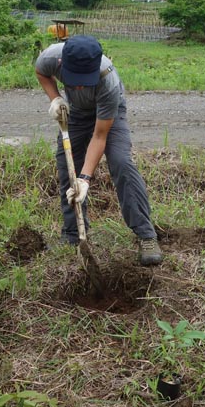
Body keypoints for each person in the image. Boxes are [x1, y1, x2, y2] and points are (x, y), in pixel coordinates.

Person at [35, 35, 163, 266]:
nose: (81, 85)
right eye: (76, 79)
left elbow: (99, 135)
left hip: (108, 115)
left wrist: (85, 178)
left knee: (121, 162)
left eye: (86, 79)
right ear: (63, 64)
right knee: (67, 166)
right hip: (75, 113)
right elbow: (41, 72)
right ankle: (73, 234)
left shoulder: (108, 79)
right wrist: (56, 99)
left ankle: (146, 235)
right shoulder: (51, 57)